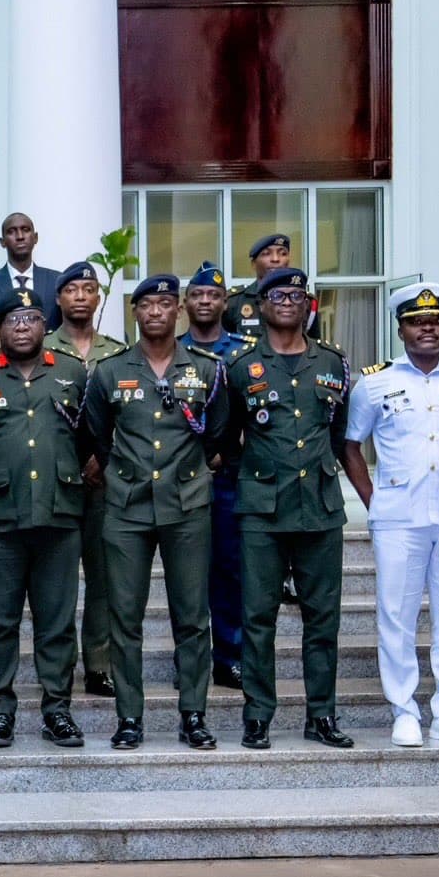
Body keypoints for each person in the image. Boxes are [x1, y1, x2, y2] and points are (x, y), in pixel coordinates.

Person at [83, 274, 233, 751]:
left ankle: (194, 714)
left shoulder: (206, 370)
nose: (155, 312)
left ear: (178, 311)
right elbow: (95, 434)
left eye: (164, 304)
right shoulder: (110, 371)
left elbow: (219, 433)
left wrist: (190, 470)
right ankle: (129, 716)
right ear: (135, 312)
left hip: (187, 505)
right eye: (146, 304)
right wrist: (121, 472)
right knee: (124, 618)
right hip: (126, 507)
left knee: (192, 617)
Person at [342, 284, 439, 747]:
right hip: (398, 517)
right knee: (396, 616)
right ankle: (404, 710)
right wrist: (375, 501)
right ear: (401, 328)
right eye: (416, 321)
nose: (427, 328)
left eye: (436, 320)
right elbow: (351, 446)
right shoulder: (374, 383)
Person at [0, 289, 89, 747]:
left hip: (59, 515)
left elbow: (88, 436)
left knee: (57, 622)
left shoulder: (72, 371)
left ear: (45, 325)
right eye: (13, 319)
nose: (23, 326)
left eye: (31, 318)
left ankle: (58, 711)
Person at [226, 267, 354, 750]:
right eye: (277, 295)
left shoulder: (333, 362)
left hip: (319, 507)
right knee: (258, 618)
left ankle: (321, 715)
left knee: (323, 619)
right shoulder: (241, 366)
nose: (287, 302)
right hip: (262, 508)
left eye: (296, 296)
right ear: (261, 305)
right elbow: (225, 437)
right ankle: (258, 715)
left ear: (308, 305)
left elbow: (339, 433)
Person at [44, 262, 127, 697]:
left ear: (98, 297)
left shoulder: (117, 351)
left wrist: (101, 458)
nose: (80, 296)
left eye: (88, 289)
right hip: (54, 480)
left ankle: (99, 664)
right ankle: (58, 666)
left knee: (103, 577)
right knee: (55, 582)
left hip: (102, 480)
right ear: (58, 298)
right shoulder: (40, 346)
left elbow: (126, 415)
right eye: (72, 289)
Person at [179, 262, 249, 690]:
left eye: (213, 296)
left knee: (229, 569)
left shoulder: (244, 352)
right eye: (197, 295)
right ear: (185, 303)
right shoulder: (171, 351)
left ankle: (229, 655)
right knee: (187, 575)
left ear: (225, 303)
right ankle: (188, 660)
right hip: (183, 477)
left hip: (230, 478)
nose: (205, 301)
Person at [0, 212, 62, 326]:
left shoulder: (57, 281)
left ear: (35, 238)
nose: (20, 236)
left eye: (25, 230)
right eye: (11, 231)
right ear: (2, 242)